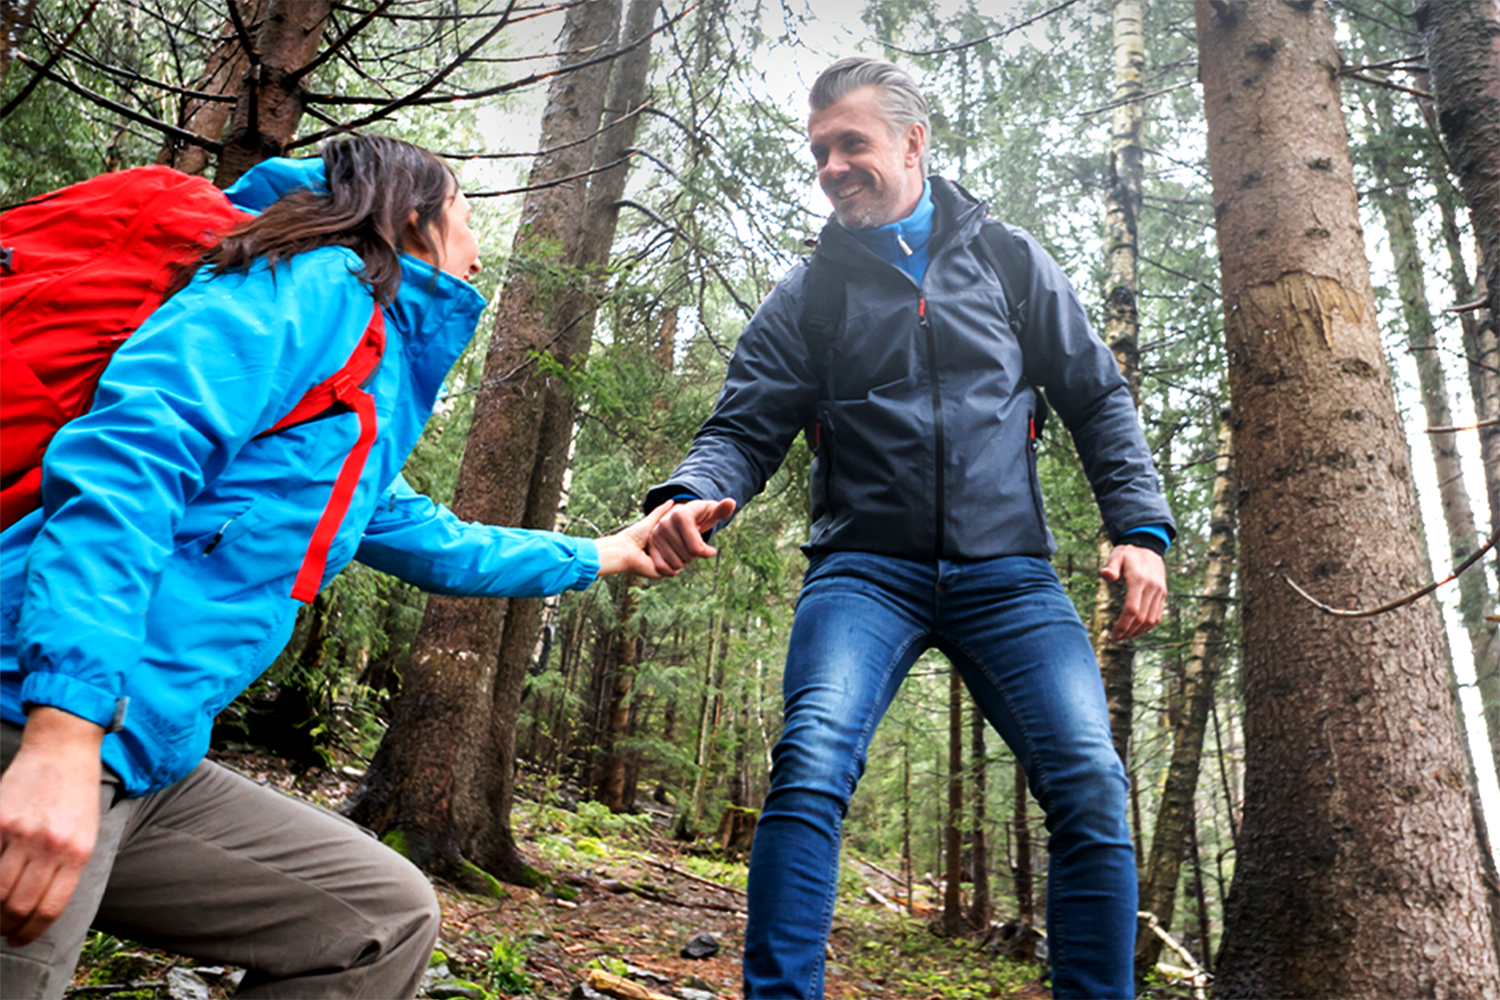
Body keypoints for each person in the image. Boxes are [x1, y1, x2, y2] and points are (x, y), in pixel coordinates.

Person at [0, 134, 671, 999]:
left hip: (145, 754)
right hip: (44, 717)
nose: (479, 244)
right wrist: (61, 736)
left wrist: (605, 554)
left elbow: (435, 539)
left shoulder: (368, 378)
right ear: (417, 216)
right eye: (468, 212)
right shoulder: (312, 287)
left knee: (378, 918)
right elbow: (130, 456)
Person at [644, 58, 1175, 999]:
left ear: (914, 143)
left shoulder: (1009, 260)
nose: (834, 167)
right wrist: (685, 494)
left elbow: (1096, 396)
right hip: (863, 573)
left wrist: (1138, 526)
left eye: (853, 144)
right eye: (820, 153)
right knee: (808, 767)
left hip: (1010, 574)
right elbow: (743, 424)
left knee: (1091, 784)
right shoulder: (811, 292)